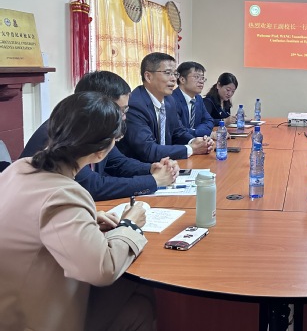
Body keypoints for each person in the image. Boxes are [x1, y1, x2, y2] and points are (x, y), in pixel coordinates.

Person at [0, 91, 152, 331]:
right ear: (101, 152)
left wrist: (87, 218)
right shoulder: (64, 195)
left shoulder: (19, 168)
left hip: (11, 297)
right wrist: (129, 225)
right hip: (26, 318)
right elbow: (103, 269)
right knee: (143, 302)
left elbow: (30, 219)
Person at [21, 70, 178, 200]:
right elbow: (92, 186)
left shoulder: (95, 128)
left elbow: (118, 163)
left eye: (125, 110)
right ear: (96, 103)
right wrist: (154, 181)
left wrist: (152, 168)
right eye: (119, 110)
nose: (124, 117)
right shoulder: (62, 133)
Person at [117, 52, 214, 162]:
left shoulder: (169, 100)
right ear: (148, 76)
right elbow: (148, 150)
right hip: (141, 167)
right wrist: (191, 149)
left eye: (175, 74)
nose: (174, 79)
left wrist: (195, 142)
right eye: (168, 73)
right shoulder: (135, 104)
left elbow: (178, 132)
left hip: (166, 164)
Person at [172, 61, 216, 138]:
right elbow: (178, 130)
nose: (201, 81)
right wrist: (204, 134)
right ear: (182, 79)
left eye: (202, 78)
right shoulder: (172, 99)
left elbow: (209, 121)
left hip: (196, 142)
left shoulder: (198, 99)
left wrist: (197, 132)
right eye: (196, 77)